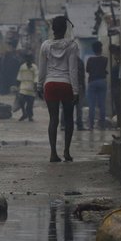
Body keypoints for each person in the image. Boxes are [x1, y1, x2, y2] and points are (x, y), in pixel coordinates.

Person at [36, 16, 80, 163]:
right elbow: (73, 70)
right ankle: (67, 152)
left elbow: (42, 69)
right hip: (66, 85)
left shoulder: (45, 45)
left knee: (53, 119)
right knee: (68, 119)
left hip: (50, 85)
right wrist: (76, 91)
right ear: (65, 28)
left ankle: (53, 153)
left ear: (52, 28)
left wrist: (39, 85)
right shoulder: (72, 46)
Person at [86, 42, 109, 130]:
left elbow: (88, 70)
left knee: (91, 105)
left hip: (92, 82)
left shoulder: (90, 60)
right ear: (101, 49)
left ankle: (91, 125)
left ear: (93, 50)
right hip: (102, 81)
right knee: (102, 104)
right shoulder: (105, 59)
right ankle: (102, 125)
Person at [15, 53, 38, 121]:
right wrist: (17, 86)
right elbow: (19, 76)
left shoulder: (34, 67)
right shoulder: (22, 67)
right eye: (27, 59)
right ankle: (24, 113)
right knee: (21, 101)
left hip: (31, 87)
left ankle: (30, 116)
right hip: (23, 87)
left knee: (30, 104)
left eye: (30, 59)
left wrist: (36, 85)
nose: (28, 60)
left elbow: (36, 76)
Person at [109, 44, 121, 122]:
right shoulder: (117, 63)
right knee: (117, 106)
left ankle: (119, 123)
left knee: (118, 106)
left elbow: (119, 76)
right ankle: (119, 123)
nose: (114, 56)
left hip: (117, 87)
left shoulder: (119, 64)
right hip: (116, 87)